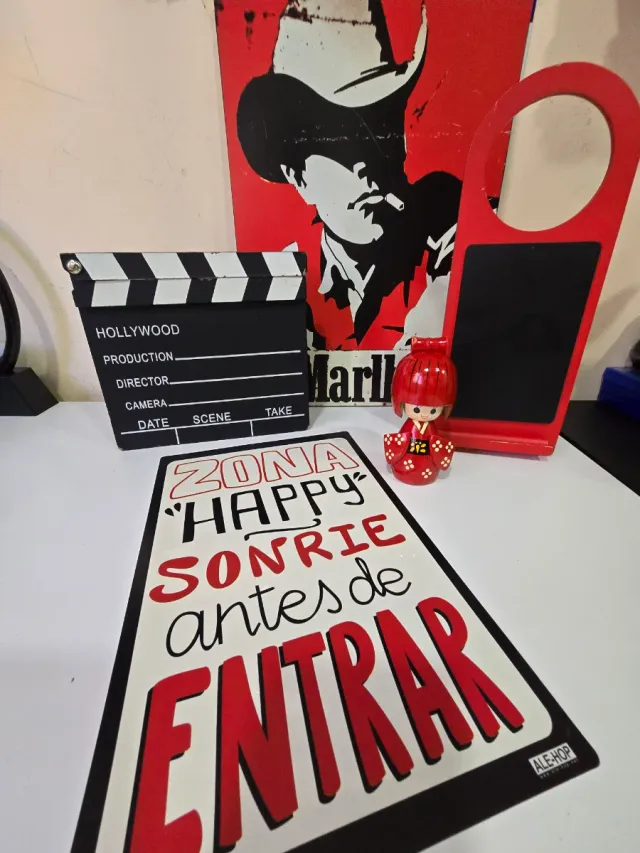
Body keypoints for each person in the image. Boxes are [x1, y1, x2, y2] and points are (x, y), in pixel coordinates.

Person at [236, 1, 462, 351]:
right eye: (340, 142)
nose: (369, 163)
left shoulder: (443, 222)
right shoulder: (290, 281)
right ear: (298, 176)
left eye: (384, 128)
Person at [384, 337, 456, 485]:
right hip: (405, 465)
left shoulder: (430, 428)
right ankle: (404, 472)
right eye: (416, 408)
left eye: (433, 410)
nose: (424, 414)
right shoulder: (411, 426)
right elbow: (399, 443)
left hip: (427, 469)